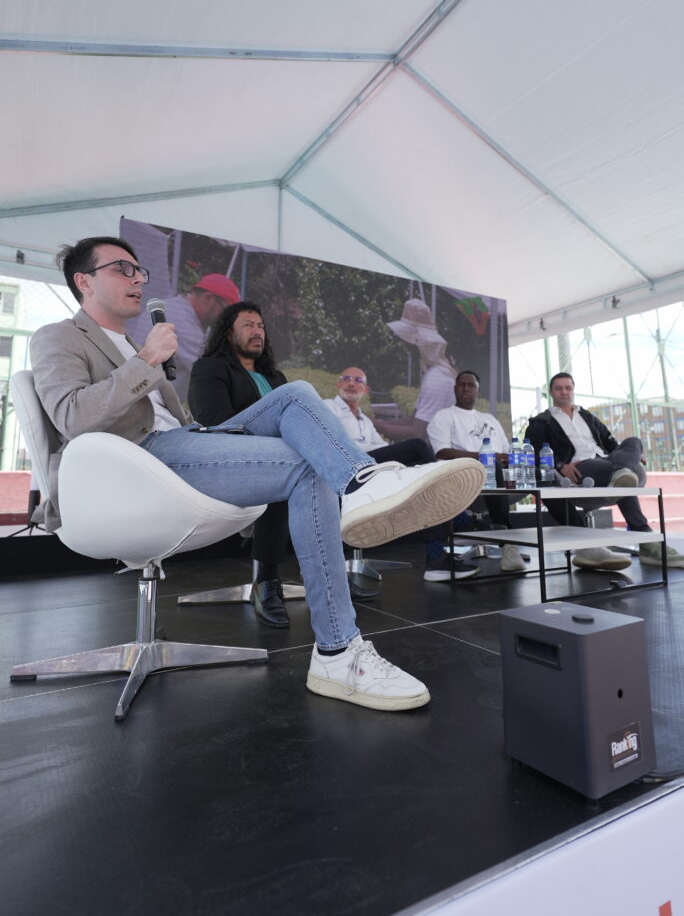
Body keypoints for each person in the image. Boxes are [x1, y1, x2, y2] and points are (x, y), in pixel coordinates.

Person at [30, 236, 486, 712]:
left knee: (297, 393)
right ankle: (338, 645)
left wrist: (177, 399)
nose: (138, 279)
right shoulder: (58, 336)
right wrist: (146, 361)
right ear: (84, 281)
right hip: (135, 467)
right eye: (122, 269)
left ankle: (363, 485)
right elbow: (73, 417)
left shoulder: (131, 344)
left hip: (182, 447)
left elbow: (174, 421)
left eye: (139, 270)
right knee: (308, 464)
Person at [188, 304, 380, 629]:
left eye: (261, 326)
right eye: (248, 325)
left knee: (307, 461)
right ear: (228, 333)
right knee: (294, 436)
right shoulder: (211, 368)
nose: (258, 331)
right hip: (231, 460)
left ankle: (330, 576)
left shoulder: (274, 377)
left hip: (280, 457)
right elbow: (213, 423)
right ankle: (266, 580)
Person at [324, 366, 480, 581]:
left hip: (372, 469)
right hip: (348, 467)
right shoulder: (327, 407)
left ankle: (436, 558)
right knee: (418, 447)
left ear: (366, 389)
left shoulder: (364, 420)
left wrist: (404, 468)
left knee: (421, 483)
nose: (351, 383)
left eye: (358, 380)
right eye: (346, 378)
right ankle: (459, 516)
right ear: (338, 384)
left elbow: (381, 448)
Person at [525, 372, 684, 570]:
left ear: (573, 389)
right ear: (550, 392)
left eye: (568, 387)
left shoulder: (587, 416)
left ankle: (622, 471)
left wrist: (630, 455)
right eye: (559, 388)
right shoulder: (542, 421)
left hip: (606, 461)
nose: (564, 392)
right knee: (624, 475)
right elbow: (533, 449)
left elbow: (611, 442)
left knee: (634, 441)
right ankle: (647, 541)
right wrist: (560, 465)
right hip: (581, 467)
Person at [426, 370, 527, 575]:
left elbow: (506, 451)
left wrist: (511, 459)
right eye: (461, 384)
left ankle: (580, 542)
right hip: (462, 479)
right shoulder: (444, 416)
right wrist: (486, 457)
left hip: (497, 476)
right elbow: (441, 452)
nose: (466, 388)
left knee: (536, 467)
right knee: (491, 463)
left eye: (471, 385)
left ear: (478, 391)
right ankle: (508, 543)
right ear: (455, 389)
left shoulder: (489, 419)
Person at [373, 298, 456, 442]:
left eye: (408, 340)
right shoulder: (436, 373)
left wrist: (377, 425)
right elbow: (413, 419)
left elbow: (418, 433)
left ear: (419, 342)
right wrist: (374, 423)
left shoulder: (436, 378)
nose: (406, 344)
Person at [161, 273, 241, 403]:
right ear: (208, 298)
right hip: (147, 407)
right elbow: (214, 371)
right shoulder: (180, 319)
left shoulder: (182, 311)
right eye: (227, 311)